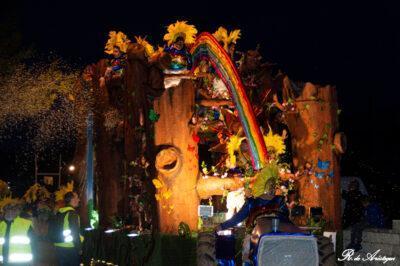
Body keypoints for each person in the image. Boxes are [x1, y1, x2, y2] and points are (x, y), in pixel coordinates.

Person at [215, 178, 289, 265]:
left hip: (275, 237)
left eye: (273, 186)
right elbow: (238, 218)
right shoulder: (276, 202)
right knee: (248, 255)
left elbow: (238, 218)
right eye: (272, 186)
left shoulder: (278, 201)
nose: (272, 189)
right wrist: (222, 226)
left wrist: (221, 226)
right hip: (258, 237)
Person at [0, 198, 34, 265]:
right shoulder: (1, 225)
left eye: (14, 208)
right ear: (4, 210)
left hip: (21, 263)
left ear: (18, 211)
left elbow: (34, 245)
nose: (11, 210)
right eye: (9, 207)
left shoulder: (26, 224)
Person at [54, 192, 83, 266]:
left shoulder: (59, 212)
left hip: (58, 245)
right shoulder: (72, 214)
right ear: (72, 199)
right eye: (77, 198)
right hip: (70, 247)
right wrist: (79, 248)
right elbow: (74, 232)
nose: (79, 200)